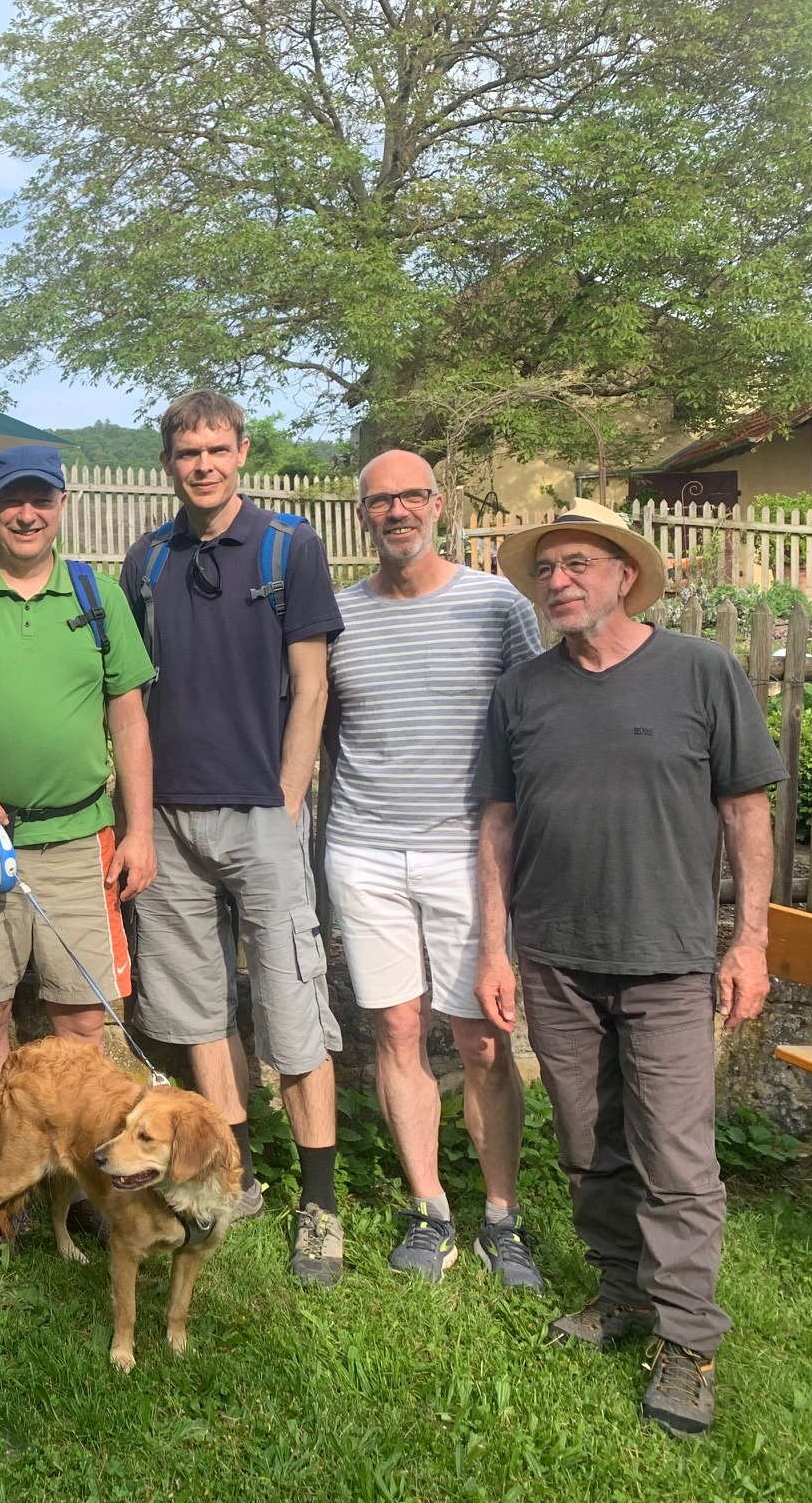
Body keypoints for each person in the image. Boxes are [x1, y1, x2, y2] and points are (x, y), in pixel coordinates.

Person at [473, 499, 782, 1438]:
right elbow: (497, 824)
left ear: (624, 575)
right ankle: (623, 1292)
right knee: (587, 1140)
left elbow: (745, 813)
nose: (558, 580)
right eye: (545, 568)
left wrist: (752, 940)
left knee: (677, 1158)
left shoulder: (700, 671)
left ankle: (689, 1343)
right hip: (557, 960)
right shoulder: (522, 691)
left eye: (577, 564)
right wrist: (496, 945)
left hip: (669, 959)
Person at [0, 444, 157, 1262]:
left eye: (39, 499)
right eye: (12, 499)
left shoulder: (96, 595)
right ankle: (5, 1190)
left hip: (79, 839)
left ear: (61, 503)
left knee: (81, 1024)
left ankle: (83, 1187)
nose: (26, 513)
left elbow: (128, 718)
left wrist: (140, 829)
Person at [120, 390, 347, 1287]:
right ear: (168, 463)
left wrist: (287, 805)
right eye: (187, 453)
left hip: (262, 814)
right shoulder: (147, 560)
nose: (203, 465)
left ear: (242, 453)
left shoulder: (290, 550)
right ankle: (237, 1178)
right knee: (199, 1015)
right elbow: (129, 696)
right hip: (170, 818)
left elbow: (312, 686)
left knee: (292, 1012)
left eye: (217, 449)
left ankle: (321, 1205)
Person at [323, 450, 544, 1288]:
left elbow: (534, 723)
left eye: (411, 496)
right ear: (363, 515)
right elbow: (322, 725)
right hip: (366, 848)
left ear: (438, 505)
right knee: (398, 1032)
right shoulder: (338, 615)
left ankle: (502, 1216)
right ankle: (429, 1211)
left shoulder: (497, 605)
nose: (397, 512)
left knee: (484, 1041)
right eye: (380, 501)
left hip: (469, 853)